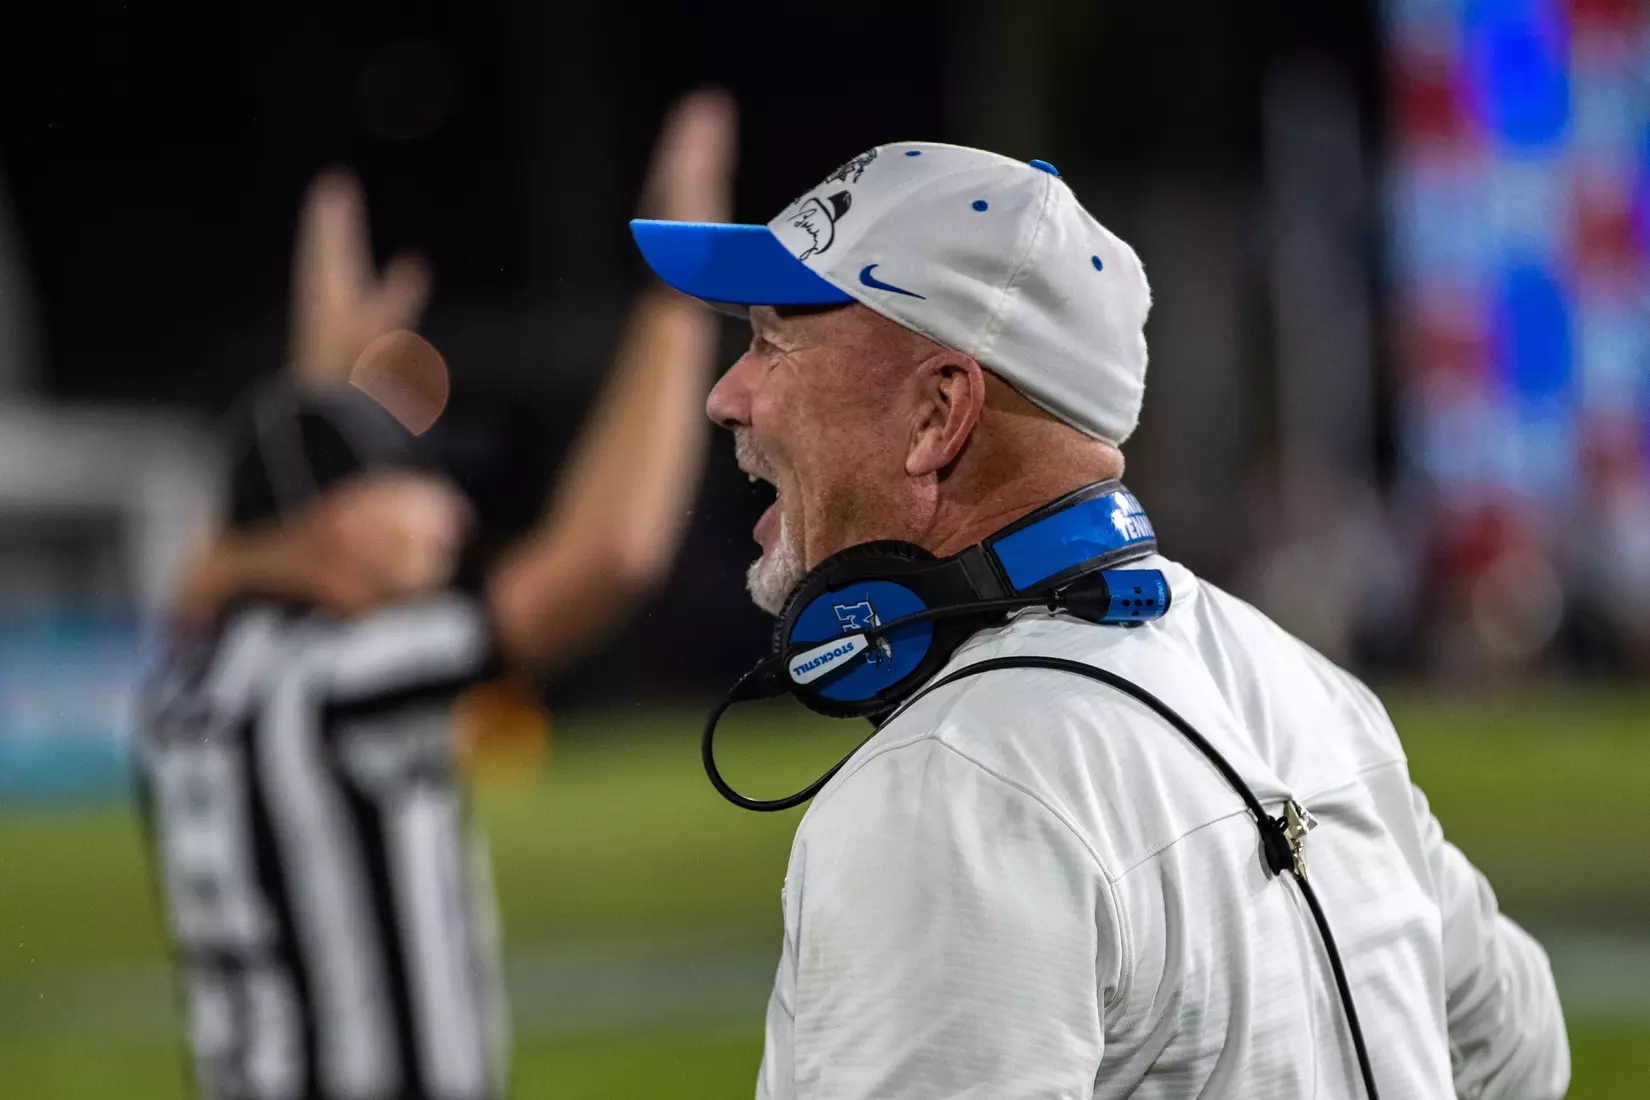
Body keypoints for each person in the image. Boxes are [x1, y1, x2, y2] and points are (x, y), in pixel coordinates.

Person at [630, 143, 1570, 1099]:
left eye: (773, 343)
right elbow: (1520, 1044)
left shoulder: (952, 786)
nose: (725, 395)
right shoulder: (1314, 692)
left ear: (938, 412)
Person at [139, 89, 736, 1100]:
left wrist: (316, 379)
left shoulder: (187, 678)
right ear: (335, 527)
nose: (447, 516)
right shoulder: (337, 684)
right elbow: (609, 557)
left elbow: (251, 529)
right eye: (405, 490)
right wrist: (678, 290)